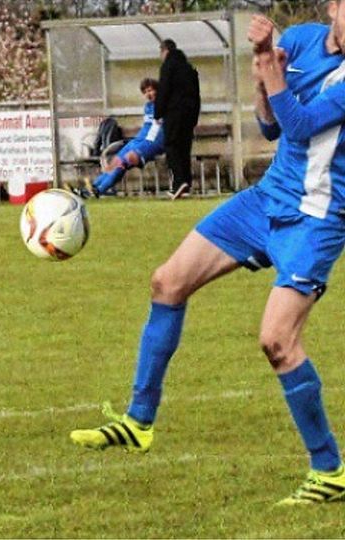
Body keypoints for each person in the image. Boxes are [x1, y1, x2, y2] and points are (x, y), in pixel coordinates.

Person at [69, 7, 345, 505]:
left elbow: (302, 126)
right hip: (266, 199)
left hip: (316, 218)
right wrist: (262, 79)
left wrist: (270, 68)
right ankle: (138, 421)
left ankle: (329, 470)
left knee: (278, 341)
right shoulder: (304, 38)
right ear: (333, 6)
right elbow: (271, 128)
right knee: (167, 281)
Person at [82, 78, 165, 198]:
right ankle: (91, 187)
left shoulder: (165, 105)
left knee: (123, 162)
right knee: (116, 161)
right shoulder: (148, 107)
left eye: (151, 90)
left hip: (152, 143)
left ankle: (99, 190)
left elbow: (159, 131)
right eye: (146, 92)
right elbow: (147, 127)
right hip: (139, 141)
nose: (148, 94)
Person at [155, 39, 201, 199]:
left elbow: (164, 90)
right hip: (189, 114)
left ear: (164, 50)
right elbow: (196, 95)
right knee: (185, 148)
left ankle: (179, 181)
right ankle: (186, 183)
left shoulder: (168, 66)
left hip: (173, 113)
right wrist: (195, 117)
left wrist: (158, 113)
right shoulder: (189, 68)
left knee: (172, 146)